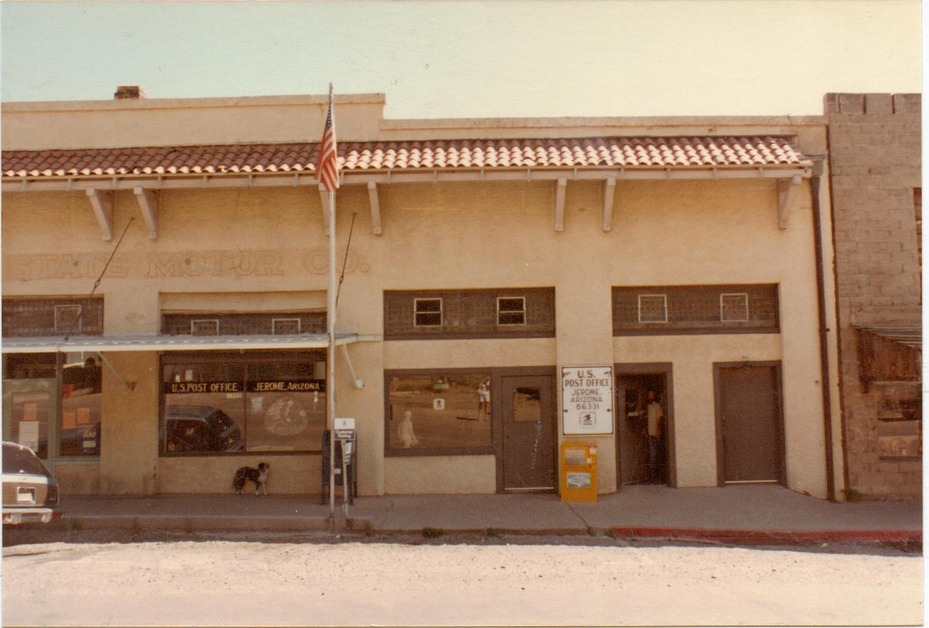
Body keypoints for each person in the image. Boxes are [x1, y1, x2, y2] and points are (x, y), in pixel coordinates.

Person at [646, 390, 664, 483]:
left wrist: (658, 430)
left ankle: (655, 477)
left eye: (651, 395)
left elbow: (659, 419)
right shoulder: (646, 407)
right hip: (647, 433)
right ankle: (650, 476)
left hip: (654, 433)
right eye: (648, 395)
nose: (649, 397)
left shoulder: (657, 406)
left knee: (655, 455)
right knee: (649, 455)